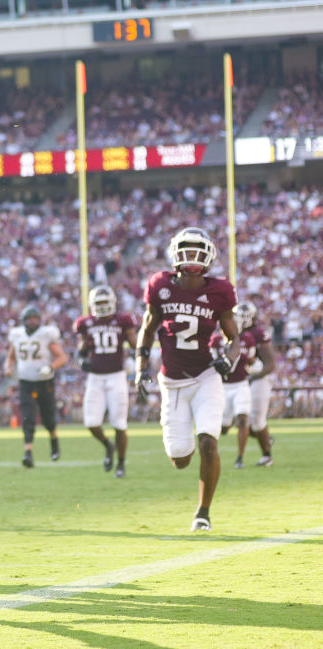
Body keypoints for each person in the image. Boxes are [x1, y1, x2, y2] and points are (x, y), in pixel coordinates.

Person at [135, 227, 240, 532]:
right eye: (186, 249)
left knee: (208, 442)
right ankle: (185, 445)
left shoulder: (219, 290)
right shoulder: (160, 285)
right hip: (172, 383)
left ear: (209, 256)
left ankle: (203, 513)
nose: (192, 256)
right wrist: (140, 366)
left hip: (206, 376)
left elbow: (234, 338)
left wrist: (229, 359)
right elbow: (148, 326)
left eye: (198, 250)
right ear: (175, 254)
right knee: (180, 458)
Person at [73, 286, 136, 477]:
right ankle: (108, 446)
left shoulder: (122, 320)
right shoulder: (86, 323)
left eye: (104, 303)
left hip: (117, 376)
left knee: (119, 423)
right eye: (97, 304)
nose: (101, 307)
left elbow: (135, 344)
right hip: (95, 378)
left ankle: (121, 463)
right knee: (91, 422)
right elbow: (82, 349)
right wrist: (81, 359)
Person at [6, 306, 69, 467]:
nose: (32, 321)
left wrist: (51, 367)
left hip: (44, 382)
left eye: (35, 318)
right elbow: (11, 357)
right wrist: (8, 367)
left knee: (48, 418)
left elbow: (62, 357)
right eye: (29, 319)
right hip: (26, 382)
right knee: (28, 417)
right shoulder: (17, 335)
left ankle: (54, 441)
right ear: (23, 321)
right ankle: (28, 452)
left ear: (40, 320)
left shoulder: (46, 335)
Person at [211, 305, 258, 468]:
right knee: (223, 427)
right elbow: (212, 364)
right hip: (223, 387)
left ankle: (240, 457)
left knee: (243, 418)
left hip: (241, 385)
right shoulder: (216, 341)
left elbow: (251, 360)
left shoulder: (247, 339)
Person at [241, 301, 277, 466]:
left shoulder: (258, 333)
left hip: (259, 379)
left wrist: (253, 377)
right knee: (239, 419)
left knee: (256, 420)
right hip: (243, 381)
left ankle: (267, 455)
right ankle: (266, 437)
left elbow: (269, 363)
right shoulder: (234, 332)